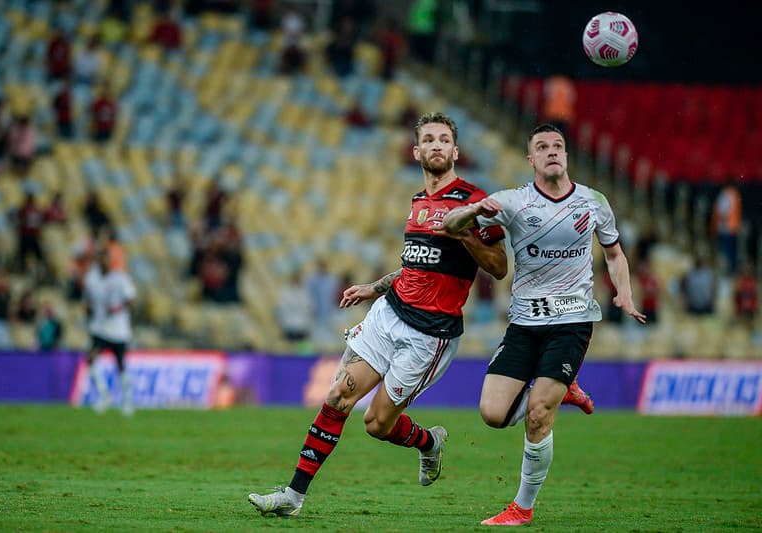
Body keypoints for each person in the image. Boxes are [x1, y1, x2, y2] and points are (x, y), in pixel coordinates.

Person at [247, 111, 510, 518]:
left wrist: (464, 235)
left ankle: (429, 443)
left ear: (455, 151)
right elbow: (415, 265)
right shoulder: (418, 202)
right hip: (390, 313)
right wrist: (375, 288)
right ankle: (293, 497)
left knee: (376, 424)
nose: (437, 145)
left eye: (444, 139)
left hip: (431, 333)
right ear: (417, 150)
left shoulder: (474, 202)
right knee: (337, 397)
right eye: (429, 139)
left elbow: (498, 266)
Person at [435, 123, 646, 526]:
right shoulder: (512, 202)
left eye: (558, 146)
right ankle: (562, 391)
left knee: (537, 413)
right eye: (543, 147)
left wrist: (624, 293)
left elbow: (615, 254)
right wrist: (476, 210)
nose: (552, 152)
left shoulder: (593, 202)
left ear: (566, 156)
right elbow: (451, 225)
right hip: (524, 322)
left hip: (573, 320)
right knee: (493, 414)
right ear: (530, 159)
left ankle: (522, 507)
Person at [83, 248, 137, 415]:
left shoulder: (120, 278)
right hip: (99, 328)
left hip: (119, 329)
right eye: (101, 259)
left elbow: (131, 298)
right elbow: (88, 300)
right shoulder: (91, 278)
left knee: (120, 365)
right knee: (91, 360)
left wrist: (117, 308)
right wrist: (88, 311)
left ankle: (127, 401)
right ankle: (104, 395)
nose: (104, 263)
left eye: (106, 259)